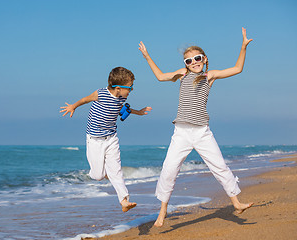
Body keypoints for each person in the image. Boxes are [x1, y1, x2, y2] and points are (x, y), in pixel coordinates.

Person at [138, 27, 254, 226]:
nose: (193, 63)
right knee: (169, 170)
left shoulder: (210, 76)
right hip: (181, 132)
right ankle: (162, 211)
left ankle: (236, 203)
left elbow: (237, 69)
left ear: (205, 59)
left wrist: (243, 46)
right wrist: (148, 57)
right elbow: (160, 77)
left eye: (197, 58)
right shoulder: (182, 75)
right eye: (189, 61)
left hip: (202, 132)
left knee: (219, 166)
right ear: (185, 64)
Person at [60, 66, 152, 212]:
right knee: (98, 175)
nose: (131, 90)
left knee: (116, 170)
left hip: (111, 138)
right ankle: (104, 174)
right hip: (95, 139)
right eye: (129, 87)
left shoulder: (122, 97)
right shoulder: (100, 94)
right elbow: (85, 99)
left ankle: (124, 201)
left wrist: (138, 112)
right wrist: (73, 107)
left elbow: (124, 108)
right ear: (117, 88)